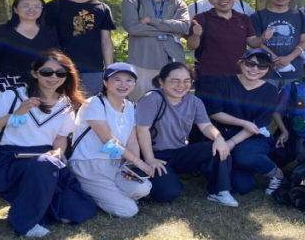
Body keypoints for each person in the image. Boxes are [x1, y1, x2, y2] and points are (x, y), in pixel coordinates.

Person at [0, 50, 97, 238]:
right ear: (35, 73)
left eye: (60, 73)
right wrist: (14, 115)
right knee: (43, 166)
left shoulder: (65, 104)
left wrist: (58, 152)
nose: (53, 77)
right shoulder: (10, 97)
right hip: (11, 162)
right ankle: (24, 223)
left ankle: (40, 208)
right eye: (47, 72)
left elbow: (60, 138)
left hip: (47, 161)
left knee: (78, 212)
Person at [133, 62, 239, 207]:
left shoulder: (194, 101)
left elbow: (206, 125)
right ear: (161, 82)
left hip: (180, 152)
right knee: (168, 194)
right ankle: (158, 179)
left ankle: (220, 191)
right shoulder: (152, 99)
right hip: (155, 155)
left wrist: (219, 138)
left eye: (186, 81)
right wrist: (150, 160)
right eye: (175, 81)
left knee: (219, 147)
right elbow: (142, 130)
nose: (181, 85)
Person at [68, 62, 153, 218]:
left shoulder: (131, 107)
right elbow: (109, 142)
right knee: (128, 211)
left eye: (129, 80)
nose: (123, 84)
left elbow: (132, 141)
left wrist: (131, 167)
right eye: (117, 79)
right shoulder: (94, 103)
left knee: (143, 188)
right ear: (105, 82)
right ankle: (89, 192)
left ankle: (107, 195)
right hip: (89, 165)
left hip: (115, 165)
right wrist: (140, 162)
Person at [199, 49, 287, 195]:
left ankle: (276, 174)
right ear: (241, 62)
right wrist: (243, 123)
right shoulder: (223, 81)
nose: (254, 69)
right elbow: (214, 112)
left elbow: (258, 125)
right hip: (222, 133)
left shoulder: (270, 90)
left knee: (245, 157)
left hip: (253, 136)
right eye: (250, 63)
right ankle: (235, 166)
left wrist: (232, 143)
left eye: (261, 66)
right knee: (242, 186)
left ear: (268, 69)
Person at [42, 0, 117, 97]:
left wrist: (109, 69)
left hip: (93, 69)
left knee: (89, 110)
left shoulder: (102, 8)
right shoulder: (54, 6)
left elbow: (106, 40)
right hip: (61, 68)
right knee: (62, 109)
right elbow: (44, 37)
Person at [121, 0, 190, 100]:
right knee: (141, 107)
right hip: (143, 63)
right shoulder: (131, 1)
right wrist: (169, 30)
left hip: (173, 64)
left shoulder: (178, 4)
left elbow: (184, 27)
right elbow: (133, 28)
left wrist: (152, 21)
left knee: (173, 108)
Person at [0, 0, 57, 94]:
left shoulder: (50, 33)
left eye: (37, 6)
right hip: (9, 83)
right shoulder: (1, 32)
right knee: (12, 110)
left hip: (43, 83)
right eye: (25, 6)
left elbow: (57, 58)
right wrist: (5, 71)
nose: (31, 9)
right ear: (15, 9)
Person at [186, 0, 262, 82]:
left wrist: (263, 38)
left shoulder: (243, 18)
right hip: (209, 75)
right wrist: (196, 35)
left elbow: (252, 42)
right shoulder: (201, 18)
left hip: (239, 75)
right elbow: (191, 46)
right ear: (210, 1)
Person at [253, 0, 305, 88]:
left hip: (294, 70)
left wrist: (289, 57)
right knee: (268, 103)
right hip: (265, 70)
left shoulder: (300, 15)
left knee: (294, 103)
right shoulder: (258, 16)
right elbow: (254, 42)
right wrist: (274, 59)